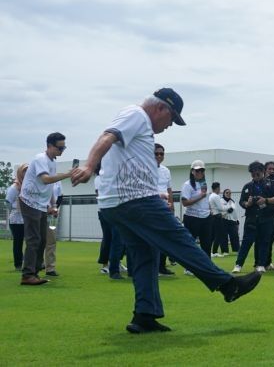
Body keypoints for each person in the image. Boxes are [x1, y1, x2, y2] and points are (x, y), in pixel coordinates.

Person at [71, 88, 261, 333]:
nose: (170, 125)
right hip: (134, 201)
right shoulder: (136, 114)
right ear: (161, 108)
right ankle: (227, 285)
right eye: (172, 118)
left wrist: (156, 190)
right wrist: (88, 165)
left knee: (145, 256)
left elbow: (127, 160)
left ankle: (144, 316)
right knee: (180, 240)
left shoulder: (139, 125)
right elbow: (107, 136)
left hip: (117, 203)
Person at [19, 132, 76, 285]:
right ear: (49, 146)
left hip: (40, 204)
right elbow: (45, 180)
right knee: (34, 239)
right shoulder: (40, 159)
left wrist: (52, 205)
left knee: (43, 239)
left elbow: (50, 186)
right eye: (60, 148)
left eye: (64, 148)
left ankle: (35, 273)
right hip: (29, 201)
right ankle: (27, 275)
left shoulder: (52, 162)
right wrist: (67, 175)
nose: (61, 151)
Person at [233, 162, 274, 274]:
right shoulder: (247, 186)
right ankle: (238, 264)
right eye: (253, 174)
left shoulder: (272, 184)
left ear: (263, 172)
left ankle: (261, 264)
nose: (255, 176)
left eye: (257, 174)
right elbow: (241, 201)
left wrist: (266, 200)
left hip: (267, 217)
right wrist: (247, 204)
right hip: (251, 218)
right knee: (246, 242)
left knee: (264, 242)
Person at [181, 160, 213, 268]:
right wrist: (200, 196)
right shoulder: (187, 184)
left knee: (207, 243)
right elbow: (184, 202)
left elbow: (206, 199)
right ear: (192, 171)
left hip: (206, 217)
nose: (199, 172)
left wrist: (209, 209)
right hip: (192, 217)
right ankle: (189, 267)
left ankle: (208, 266)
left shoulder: (204, 183)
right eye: (197, 170)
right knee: (190, 244)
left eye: (202, 170)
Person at [154, 143, 175, 275]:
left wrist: (172, 205)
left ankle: (162, 266)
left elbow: (169, 189)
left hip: (164, 207)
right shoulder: (145, 169)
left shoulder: (166, 170)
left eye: (161, 153)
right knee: (152, 238)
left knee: (165, 237)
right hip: (151, 207)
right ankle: (153, 267)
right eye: (156, 153)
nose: (159, 156)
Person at [5, 163, 28, 271]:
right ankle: (18, 264)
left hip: (27, 218)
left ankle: (28, 262)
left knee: (30, 241)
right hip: (16, 220)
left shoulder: (28, 185)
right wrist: (15, 209)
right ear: (19, 172)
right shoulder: (15, 187)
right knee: (18, 242)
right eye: (24, 171)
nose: (26, 173)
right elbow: (8, 202)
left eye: (28, 171)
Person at [43, 180, 63, 276]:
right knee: (36, 240)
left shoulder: (57, 181)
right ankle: (35, 265)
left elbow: (60, 196)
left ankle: (50, 268)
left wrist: (54, 209)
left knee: (51, 241)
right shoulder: (38, 178)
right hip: (39, 212)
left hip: (52, 216)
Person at [219, 188, 240, 256]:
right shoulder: (220, 201)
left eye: (230, 193)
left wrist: (237, 220)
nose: (228, 194)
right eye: (227, 193)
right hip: (223, 220)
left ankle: (237, 250)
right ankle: (225, 251)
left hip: (232, 221)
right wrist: (228, 210)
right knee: (223, 236)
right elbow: (221, 210)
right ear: (224, 193)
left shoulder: (233, 202)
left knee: (235, 235)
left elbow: (234, 212)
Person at [209, 182, 226, 257]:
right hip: (217, 217)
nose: (220, 189)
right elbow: (220, 208)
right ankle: (215, 252)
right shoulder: (216, 196)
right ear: (217, 188)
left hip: (213, 217)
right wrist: (227, 208)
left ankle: (210, 252)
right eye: (219, 188)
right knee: (219, 235)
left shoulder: (210, 196)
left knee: (212, 235)